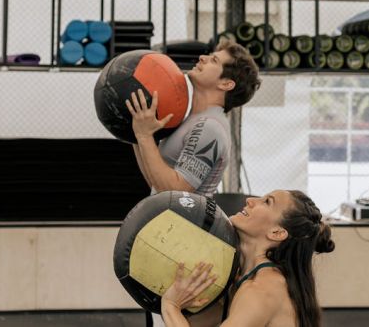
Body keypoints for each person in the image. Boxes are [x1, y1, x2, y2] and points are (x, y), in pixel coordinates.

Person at [159, 190, 336, 327]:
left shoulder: (261, 290)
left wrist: (170, 305)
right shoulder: (243, 278)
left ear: (277, 232)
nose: (250, 200)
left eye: (267, 202)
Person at [126, 41, 261, 198]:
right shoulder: (193, 120)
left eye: (214, 60)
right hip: (168, 218)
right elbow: (156, 183)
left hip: (184, 222)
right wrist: (137, 135)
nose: (202, 57)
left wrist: (145, 136)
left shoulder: (209, 127)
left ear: (226, 84)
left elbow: (175, 192)